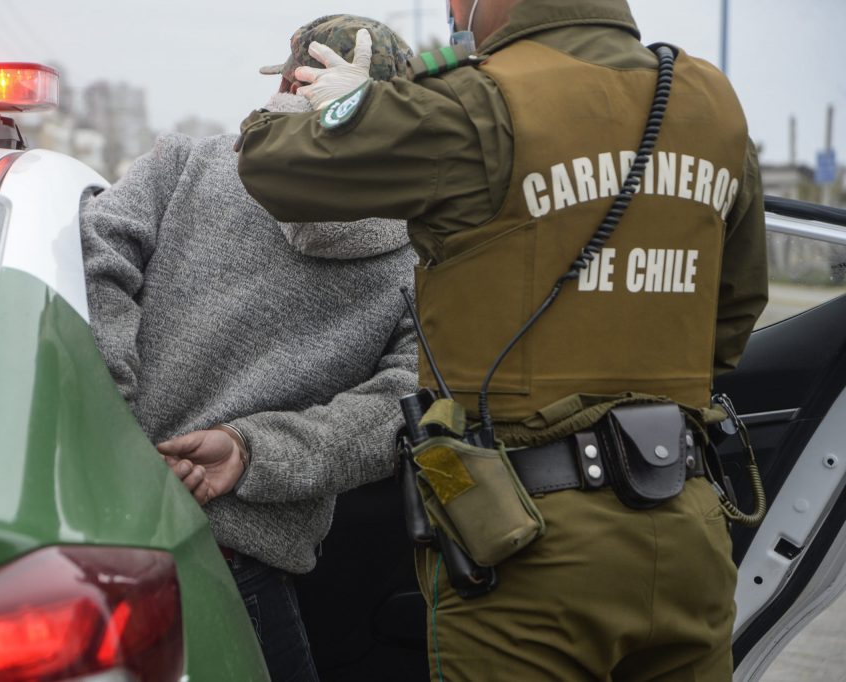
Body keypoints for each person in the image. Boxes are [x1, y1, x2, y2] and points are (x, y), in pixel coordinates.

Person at [235, 1, 768, 680]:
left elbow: (274, 166)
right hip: (690, 527)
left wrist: (315, 102)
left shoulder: (476, 99)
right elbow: (733, 315)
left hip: (525, 542)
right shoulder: (710, 103)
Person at [80, 15, 416, 682]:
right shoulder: (417, 257)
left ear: (289, 80)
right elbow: (402, 411)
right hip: (242, 566)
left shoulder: (183, 164)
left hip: (95, 531)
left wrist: (115, 429)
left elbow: (93, 259)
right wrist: (253, 451)